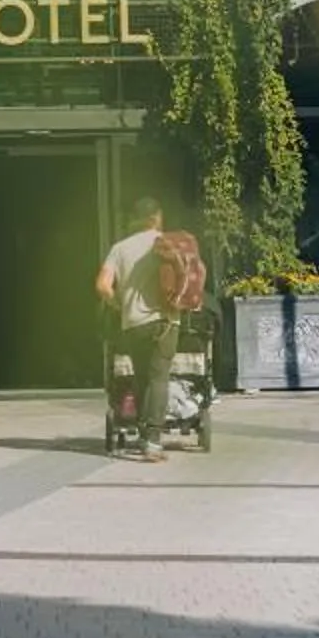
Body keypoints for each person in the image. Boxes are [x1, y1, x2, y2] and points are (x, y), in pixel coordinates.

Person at [95, 196, 176, 462]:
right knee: (159, 378)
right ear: (156, 217)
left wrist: (120, 303)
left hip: (132, 324)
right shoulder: (167, 243)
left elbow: (102, 286)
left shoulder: (119, 248)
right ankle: (152, 441)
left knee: (141, 378)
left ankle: (143, 434)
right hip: (164, 322)